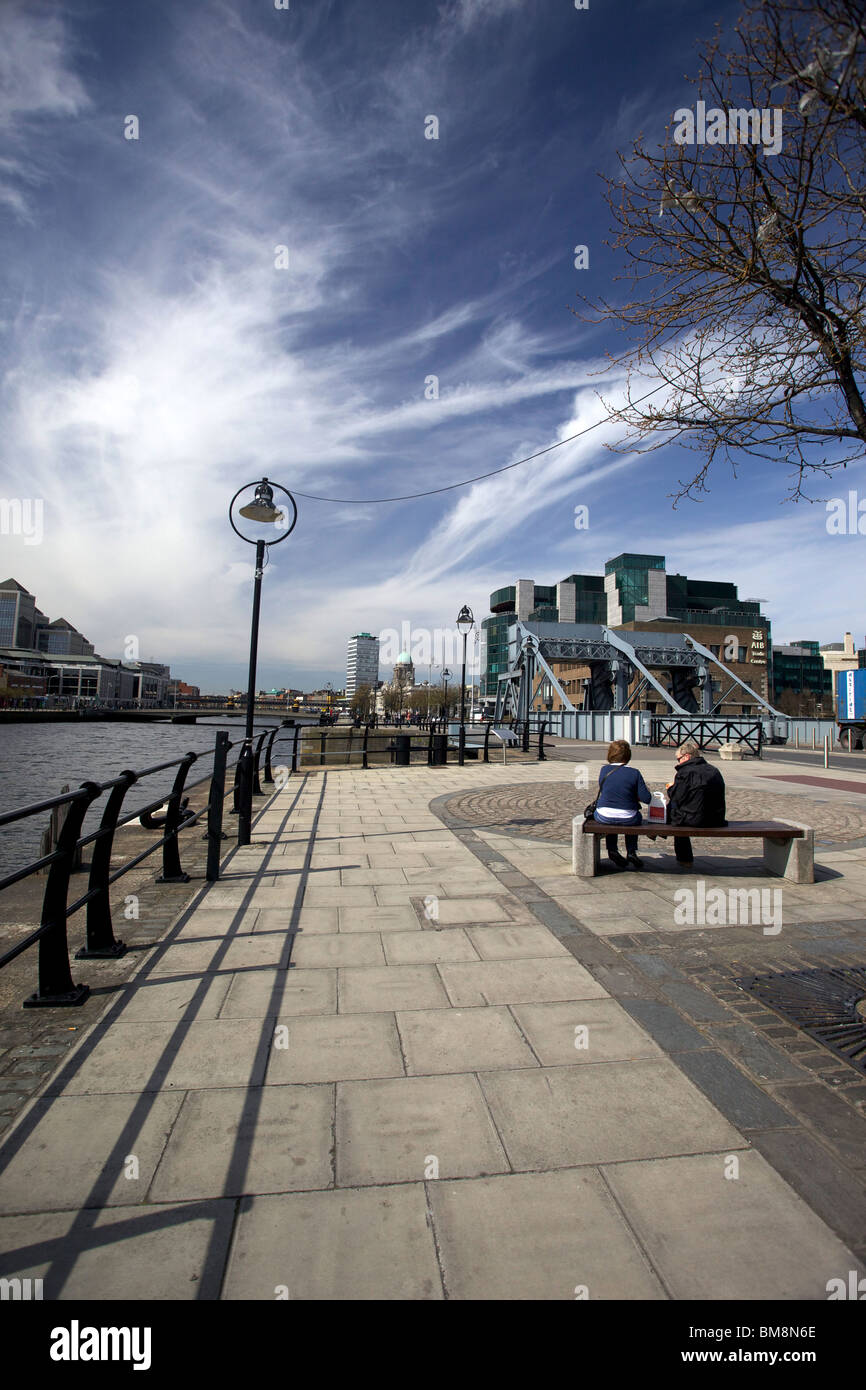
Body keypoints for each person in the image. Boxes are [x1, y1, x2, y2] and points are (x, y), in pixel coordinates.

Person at [666, 740, 727, 868]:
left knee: (674, 809)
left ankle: (685, 858)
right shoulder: (713, 770)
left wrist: (670, 788)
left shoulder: (685, 772)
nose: (678, 762)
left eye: (679, 759)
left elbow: (678, 797)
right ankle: (658, 833)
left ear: (687, 756)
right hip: (716, 818)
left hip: (695, 819)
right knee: (678, 809)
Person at [593, 739, 652, 871]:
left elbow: (607, 791)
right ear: (628, 755)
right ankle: (631, 851)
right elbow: (646, 798)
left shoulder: (604, 770)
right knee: (633, 816)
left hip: (603, 815)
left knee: (611, 819)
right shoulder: (634, 773)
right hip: (629, 817)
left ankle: (612, 849)